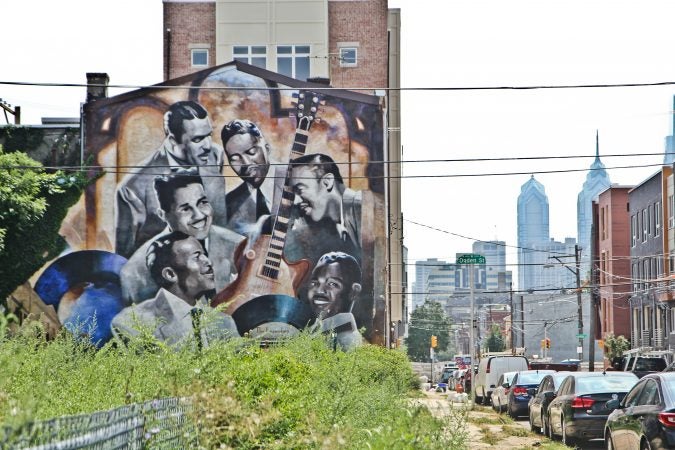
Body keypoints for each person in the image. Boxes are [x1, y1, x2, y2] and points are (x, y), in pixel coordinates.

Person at [115, 100, 227, 258]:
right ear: (173, 141)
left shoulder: (215, 155)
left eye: (208, 135)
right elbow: (125, 256)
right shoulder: (133, 189)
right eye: (197, 139)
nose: (208, 145)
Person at [120, 169, 243, 303]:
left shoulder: (240, 246)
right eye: (185, 209)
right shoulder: (136, 272)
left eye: (202, 202)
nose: (200, 215)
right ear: (163, 215)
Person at [112, 231, 239, 347]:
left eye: (204, 254)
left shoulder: (224, 322)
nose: (208, 261)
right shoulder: (132, 323)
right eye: (196, 257)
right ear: (170, 274)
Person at [221, 119, 286, 235]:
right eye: (235, 159)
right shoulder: (229, 204)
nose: (246, 163)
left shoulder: (296, 179)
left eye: (251, 152)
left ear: (267, 148)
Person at [306, 251, 363, 350]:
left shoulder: (346, 338)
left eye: (332, 284)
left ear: (353, 292)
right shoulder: (319, 330)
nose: (319, 290)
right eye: (315, 283)